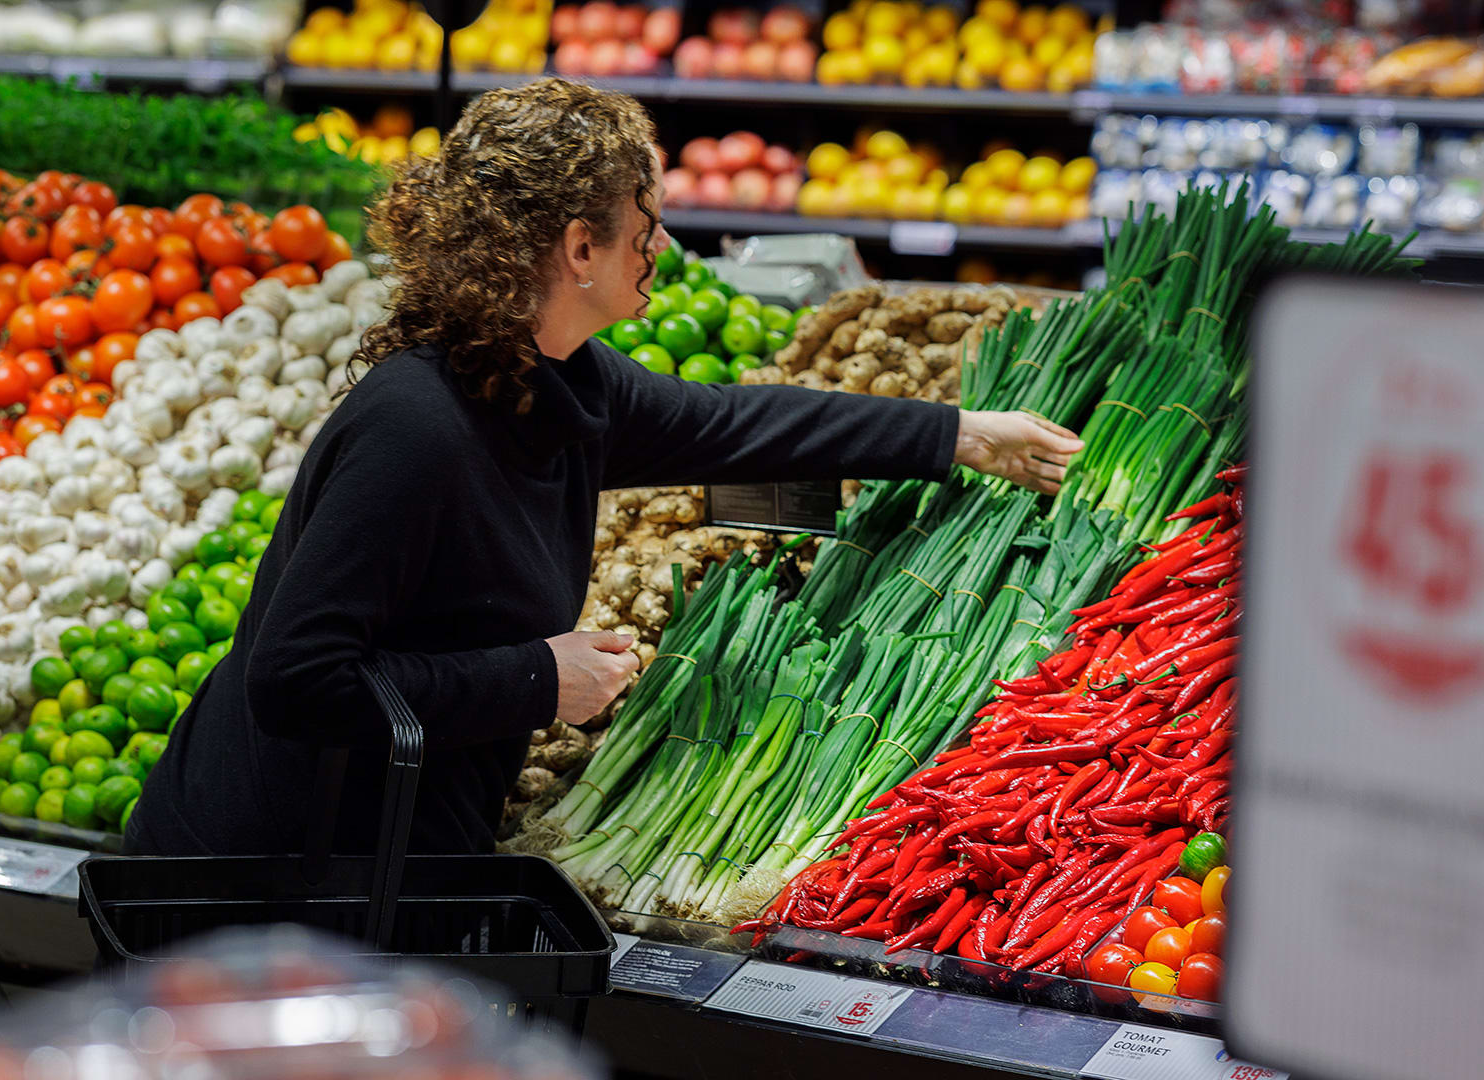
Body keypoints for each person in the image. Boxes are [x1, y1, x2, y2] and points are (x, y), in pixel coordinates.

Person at [124, 79, 1081, 859]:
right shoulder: (416, 429)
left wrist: (957, 434)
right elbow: (296, 682)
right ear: (580, 248)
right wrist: (537, 680)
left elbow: (734, 422)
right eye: (644, 222)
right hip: (267, 890)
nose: (662, 245)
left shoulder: (555, 378)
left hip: (382, 861)